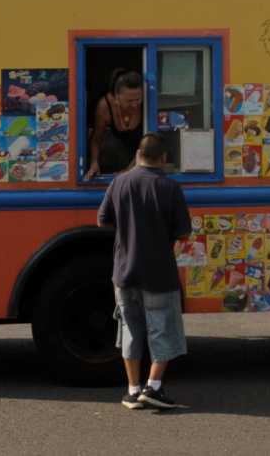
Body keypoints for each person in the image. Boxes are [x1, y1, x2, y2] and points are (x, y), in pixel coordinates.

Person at [96, 132, 191, 411]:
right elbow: (184, 232)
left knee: (130, 330)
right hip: (159, 273)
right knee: (163, 329)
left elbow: (103, 221)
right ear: (163, 159)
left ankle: (132, 390)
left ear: (138, 154)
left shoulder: (119, 183)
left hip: (124, 270)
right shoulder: (170, 188)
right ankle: (154, 387)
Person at [87, 69, 145, 179]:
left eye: (137, 99)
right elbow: (96, 139)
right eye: (129, 101)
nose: (134, 105)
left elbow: (147, 145)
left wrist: (129, 170)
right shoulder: (104, 106)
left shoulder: (147, 103)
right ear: (116, 98)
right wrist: (94, 162)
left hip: (140, 161)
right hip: (115, 159)